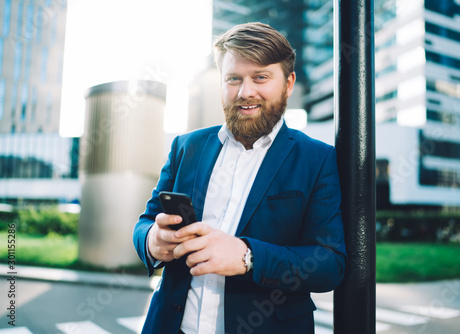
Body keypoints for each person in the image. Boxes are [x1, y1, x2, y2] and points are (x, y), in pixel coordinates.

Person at [133, 22, 346, 334]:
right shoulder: (186, 147)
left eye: (260, 77)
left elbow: (329, 264)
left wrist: (248, 257)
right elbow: (145, 223)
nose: (246, 92)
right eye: (233, 79)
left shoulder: (317, 159)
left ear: (288, 83)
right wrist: (153, 241)